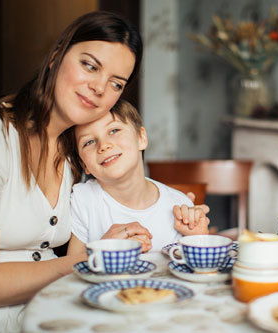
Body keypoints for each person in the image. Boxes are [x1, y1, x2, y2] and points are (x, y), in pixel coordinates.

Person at [0, 11, 208, 332]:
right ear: (56, 56)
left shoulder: (75, 152)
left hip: (58, 312)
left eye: (116, 83)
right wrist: (88, 259)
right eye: (90, 65)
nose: (100, 87)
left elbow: (126, 193)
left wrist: (180, 214)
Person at [65, 100, 209, 254]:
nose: (104, 145)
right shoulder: (83, 200)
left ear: (141, 138)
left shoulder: (180, 206)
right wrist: (104, 249)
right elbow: (70, 270)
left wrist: (199, 239)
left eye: (113, 131)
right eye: (89, 142)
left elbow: (196, 270)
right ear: (84, 164)